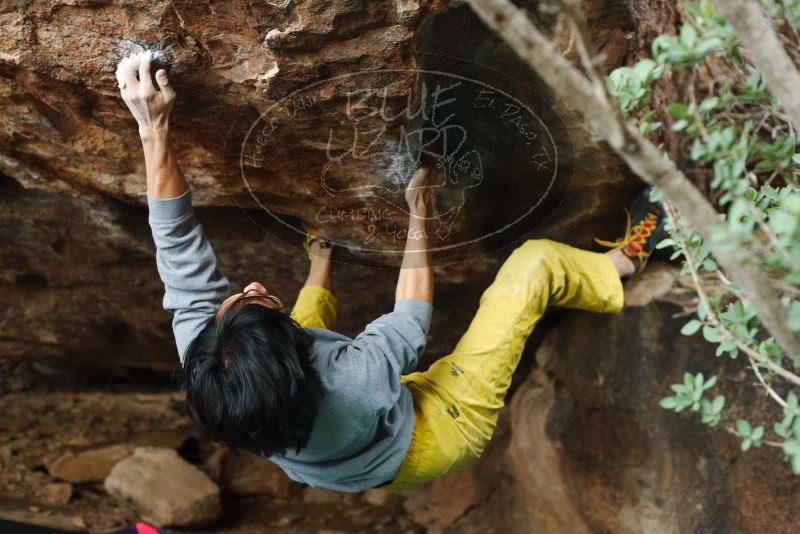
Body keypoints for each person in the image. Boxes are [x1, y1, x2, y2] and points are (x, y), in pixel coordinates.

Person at [117, 51, 665, 492]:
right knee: (535, 264)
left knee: (303, 311)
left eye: (234, 301)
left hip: (339, 455)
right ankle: (621, 265)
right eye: (255, 299)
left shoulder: (209, 357)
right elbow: (411, 314)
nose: (252, 287)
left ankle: (320, 262)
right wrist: (419, 209)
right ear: (300, 364)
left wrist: (152, 127)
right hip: (438, 429)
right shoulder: (353, 381)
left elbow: (176, 237)